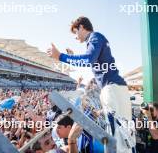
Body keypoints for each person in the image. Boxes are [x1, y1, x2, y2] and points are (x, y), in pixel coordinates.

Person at [47, 16, 133, 152]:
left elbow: (88, 59)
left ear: (81, 27)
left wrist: (61, 56)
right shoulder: (96, 39)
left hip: (112, 88)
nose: (75, 37)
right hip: (116, 87)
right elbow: (89, 60)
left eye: (75, 32)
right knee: (124, 135)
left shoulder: (94, 37)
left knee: (117, 136)